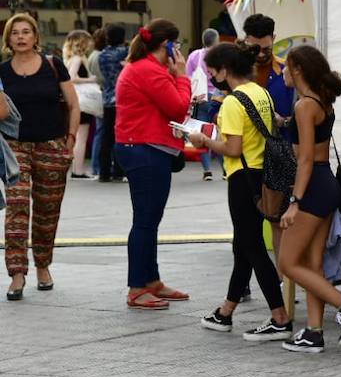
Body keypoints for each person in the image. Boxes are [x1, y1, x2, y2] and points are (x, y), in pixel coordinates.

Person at [188, 42, 293, 342]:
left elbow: (232, 148)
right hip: (264, 174)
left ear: (224, 70)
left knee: (253, 248)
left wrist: (203, 141)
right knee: (242, 246)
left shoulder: (233, 102)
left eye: (213, 72)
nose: (212, 77)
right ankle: (226, 312)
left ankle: (279, 317)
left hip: (242, 177)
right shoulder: (260, 91)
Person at [275, 45, 341, 353]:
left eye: (287, 67)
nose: (283, 72)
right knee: (312, 264)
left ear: (298, 69)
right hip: (326, 182)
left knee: (288, 262)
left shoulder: (304, 106)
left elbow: (304, 160)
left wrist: (295, 200)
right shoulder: (321, 102)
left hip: (312, 184)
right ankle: (314, 332)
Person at [114, 19, 192, 310]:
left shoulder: (147, 67)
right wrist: (182, 75)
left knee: (149, 220)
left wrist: (173, 75)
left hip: (145, 147)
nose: (180, 50)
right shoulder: (147, 69)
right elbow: (177, 107)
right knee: (145, 221)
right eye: (178, 44)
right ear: (167, 45)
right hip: (144, 149)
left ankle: (150, 280)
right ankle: (137, 287)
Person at [1, 15, 75, 300]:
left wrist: (70, 140)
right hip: (14, 147)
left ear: (35, 37)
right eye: (15, 33)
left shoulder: (53, 66)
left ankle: (43, 265)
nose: (21, 37)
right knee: (17, 208)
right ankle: (17, 274)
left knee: (47, 209)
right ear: (8, 40)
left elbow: (73, 103)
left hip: (52, 145)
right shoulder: (2, 71)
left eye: (26, 32)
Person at [240, 14, 293, 123]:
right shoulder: (234, 70)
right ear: (246, 40)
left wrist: (284, 122)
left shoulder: (288, 70)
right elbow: (214, 109)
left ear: (273, 38)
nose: (260, 55)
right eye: (255, 49)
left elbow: (305, 115)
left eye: (266, 49)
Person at [63, 30, 99, 179]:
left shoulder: (70, 58)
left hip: (76, 99)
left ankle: (76, 169)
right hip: (82, 101)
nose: (90, 44)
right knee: (81, 137)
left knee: (76, 136)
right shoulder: (78, 58)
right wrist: (91, 80)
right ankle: (78, 170)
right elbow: (72, 78)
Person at [95, 24, 129, 183]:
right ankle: (119, 170)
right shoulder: (123, 53)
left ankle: (104, 171)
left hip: (107, 98)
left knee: (106, 138)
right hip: (122, 99)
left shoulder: (101, 55)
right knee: (120, 136)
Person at [187, 27, 221, 181]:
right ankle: (226, 169)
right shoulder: (220, 55)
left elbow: (188, 76)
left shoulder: (195, 55)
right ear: (216, 41)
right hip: (217, 97)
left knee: (202, 132)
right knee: (220, 132)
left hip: (200, 97)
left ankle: (207, 170)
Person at [88, 28, 107, 180]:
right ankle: (97, 165)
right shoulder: (101, 56)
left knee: (100, 132)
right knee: (102, 133)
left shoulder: (93, 55)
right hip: (103, 94)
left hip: (97, 94)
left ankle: (96, 165)